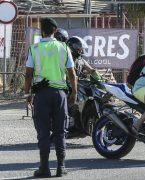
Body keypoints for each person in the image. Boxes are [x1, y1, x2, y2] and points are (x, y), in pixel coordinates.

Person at [24, 18, 77, 177]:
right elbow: (72, 74)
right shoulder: (63, 47)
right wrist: (74, 93)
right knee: (60, 131)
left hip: (41, 95)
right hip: (60, 95)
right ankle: (61, 167)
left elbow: (28, 74)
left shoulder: (34, 49)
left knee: (43, 131)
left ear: (43, 30)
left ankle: (44, 168)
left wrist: (27, 94)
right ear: (55, 31)